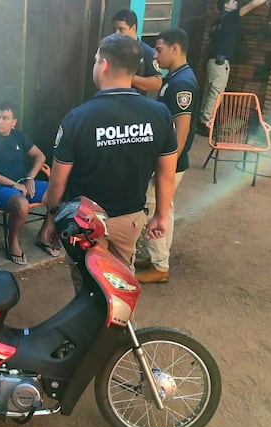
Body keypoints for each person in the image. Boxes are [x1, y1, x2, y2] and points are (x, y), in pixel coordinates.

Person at [41, 33, 178, 275]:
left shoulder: (78, 118)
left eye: (96, 60)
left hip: (85, 222)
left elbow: (57, 180)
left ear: (103, 65)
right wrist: (161, 215)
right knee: (123, 282)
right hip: (130, 219)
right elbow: (167, 174)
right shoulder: (160, 114)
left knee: (88, 287)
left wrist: (51, 219)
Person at [135, 28, 199, 284]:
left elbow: (180, 131)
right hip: (166, 161)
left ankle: (159, 265)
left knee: (157, 209)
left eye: (159, 50)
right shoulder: (175, 78)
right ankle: (154, 257)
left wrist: (166, 168)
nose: (156, 56)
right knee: (161, 207)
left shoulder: (182, 83)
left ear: (175, 48)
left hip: (170, 162)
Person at [0, 102, 51, 265]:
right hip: (1, 188)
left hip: (24, 183)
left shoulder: (18, 136)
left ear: (14, 122)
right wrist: (13, 185)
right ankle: (13, 242)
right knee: (22, 205)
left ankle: (44, 234)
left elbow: (40, 156)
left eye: (5, 118)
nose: (0, 121)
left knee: (58, 194)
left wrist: (30, 177)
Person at [196, 0, 268, 135]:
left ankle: (202, 120)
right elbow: (251, 5)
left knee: (209, 92)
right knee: (216, 94)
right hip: (220, 63)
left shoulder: (218, 21)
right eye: (233, 1)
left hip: (212, 61)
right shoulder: (231, 16)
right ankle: (206, 123)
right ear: (226, 5)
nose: (236, 3)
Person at [111, 9, 162, 98]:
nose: (117, 33)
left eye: (121, 29)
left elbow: (156, 83)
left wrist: (127, 77)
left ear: (133, 28)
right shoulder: (113, 50)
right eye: (114, 29)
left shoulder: (146, 52)